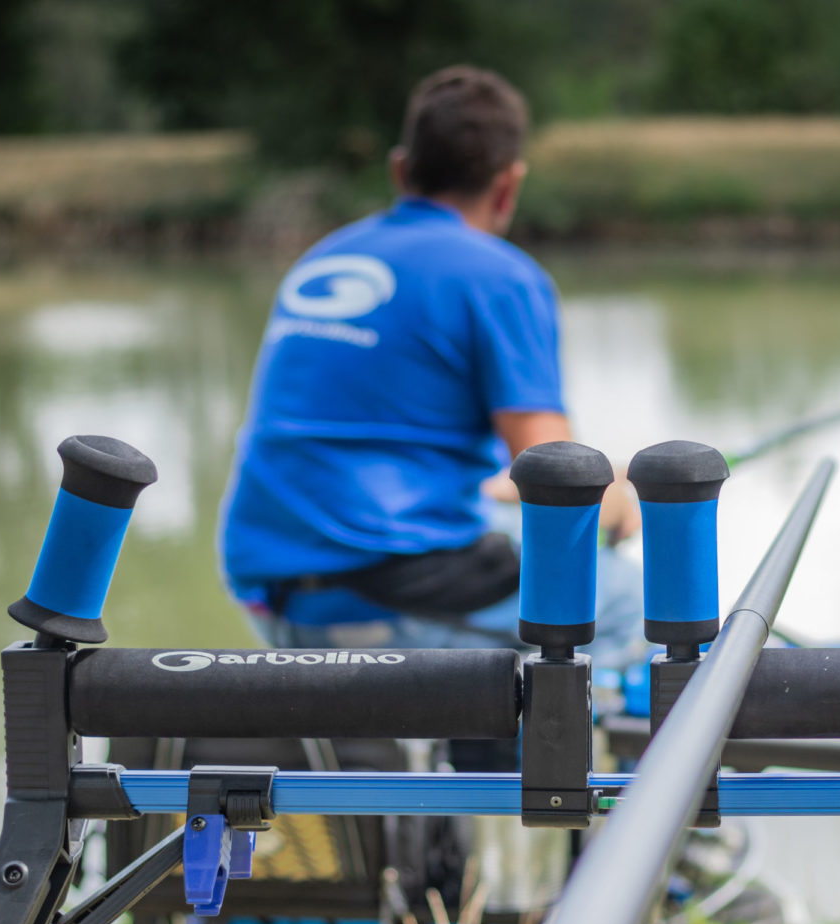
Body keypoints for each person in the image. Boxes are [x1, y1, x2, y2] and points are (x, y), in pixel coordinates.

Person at [219, 66, 644, 666]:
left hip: (273, 588)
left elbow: (371, 434)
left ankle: (482, 738)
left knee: (517, 548)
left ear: (400, 170)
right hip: (381, 593)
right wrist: (618, 496)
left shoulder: (325, 257)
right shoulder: (500, 275)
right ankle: (530, 758)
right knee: (624, 599)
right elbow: (556, 479)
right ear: (508, 186)